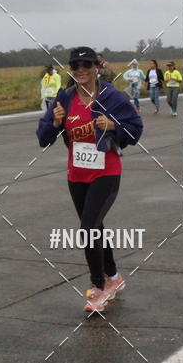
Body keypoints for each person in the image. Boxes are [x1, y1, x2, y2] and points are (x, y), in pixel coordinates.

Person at [37, 46, 143, 314]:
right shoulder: (65, 97)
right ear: (70, 71)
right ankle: (114, 277)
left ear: (97, 67)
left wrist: (114, 127)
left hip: (106, 172)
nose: (81, 70)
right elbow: (43, 138)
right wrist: (54, 122)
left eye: (86, 65)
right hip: (77, 174)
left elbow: (135, 130)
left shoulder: (112, 97)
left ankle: (99, 286)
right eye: (76, 66)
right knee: (96, 227)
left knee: (88, 228)